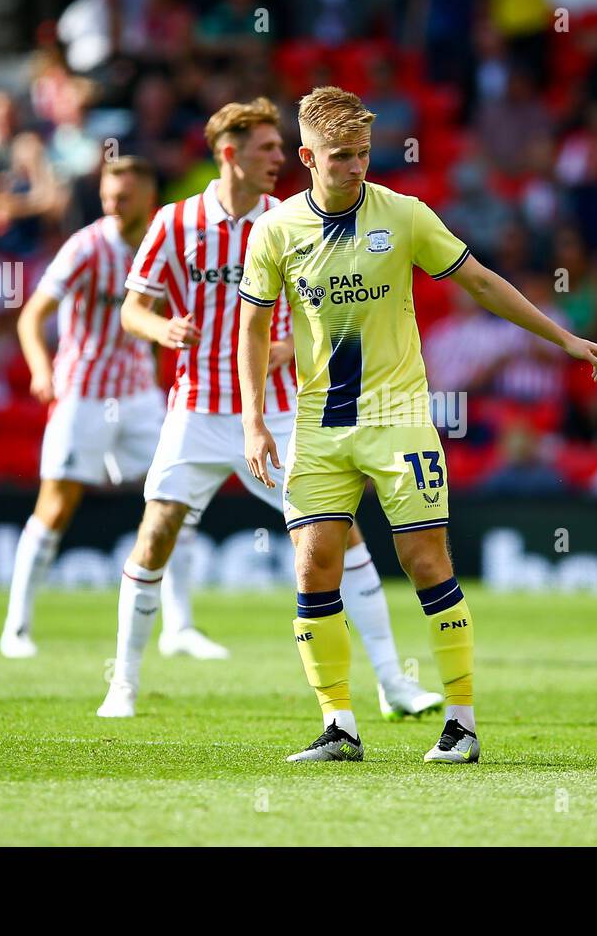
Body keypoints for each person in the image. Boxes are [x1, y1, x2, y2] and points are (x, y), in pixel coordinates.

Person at [237, 86, 597, 764]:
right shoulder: (275, 232)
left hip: (398, 419)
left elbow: (478, 281)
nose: (355, 168)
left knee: (425, 562)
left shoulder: (406, 215)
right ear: (306, 156)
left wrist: (561, 337)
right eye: (339, 157)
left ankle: (462, 722)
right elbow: (250, 328)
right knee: (312, 566)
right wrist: (252, 419)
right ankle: (339, 725)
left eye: (362, 154)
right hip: (318, 425)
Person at [100, 98, 441, 721]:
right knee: (155, 534)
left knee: (343, 540)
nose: (280, 160)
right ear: (229, 153)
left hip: (282, 413)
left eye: (283, 150)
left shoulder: (288, 220)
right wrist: (160, 329)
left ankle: (394, 683)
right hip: (199, 409)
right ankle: (121, 684)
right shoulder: (175, 224)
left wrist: (295, 346)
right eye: (267, 150)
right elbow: (131, 309)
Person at [0, 156, 196, 660]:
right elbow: (32, 317)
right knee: (57, 506)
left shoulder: (162, 244)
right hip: (83, 393)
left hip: (137, 396)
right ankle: (16, 628)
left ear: (146, 196)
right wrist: (42, 371)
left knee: (174, 498)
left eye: (123, 196)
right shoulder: (86, 247)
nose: (113, 204)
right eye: (108, 196)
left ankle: (179, 628)